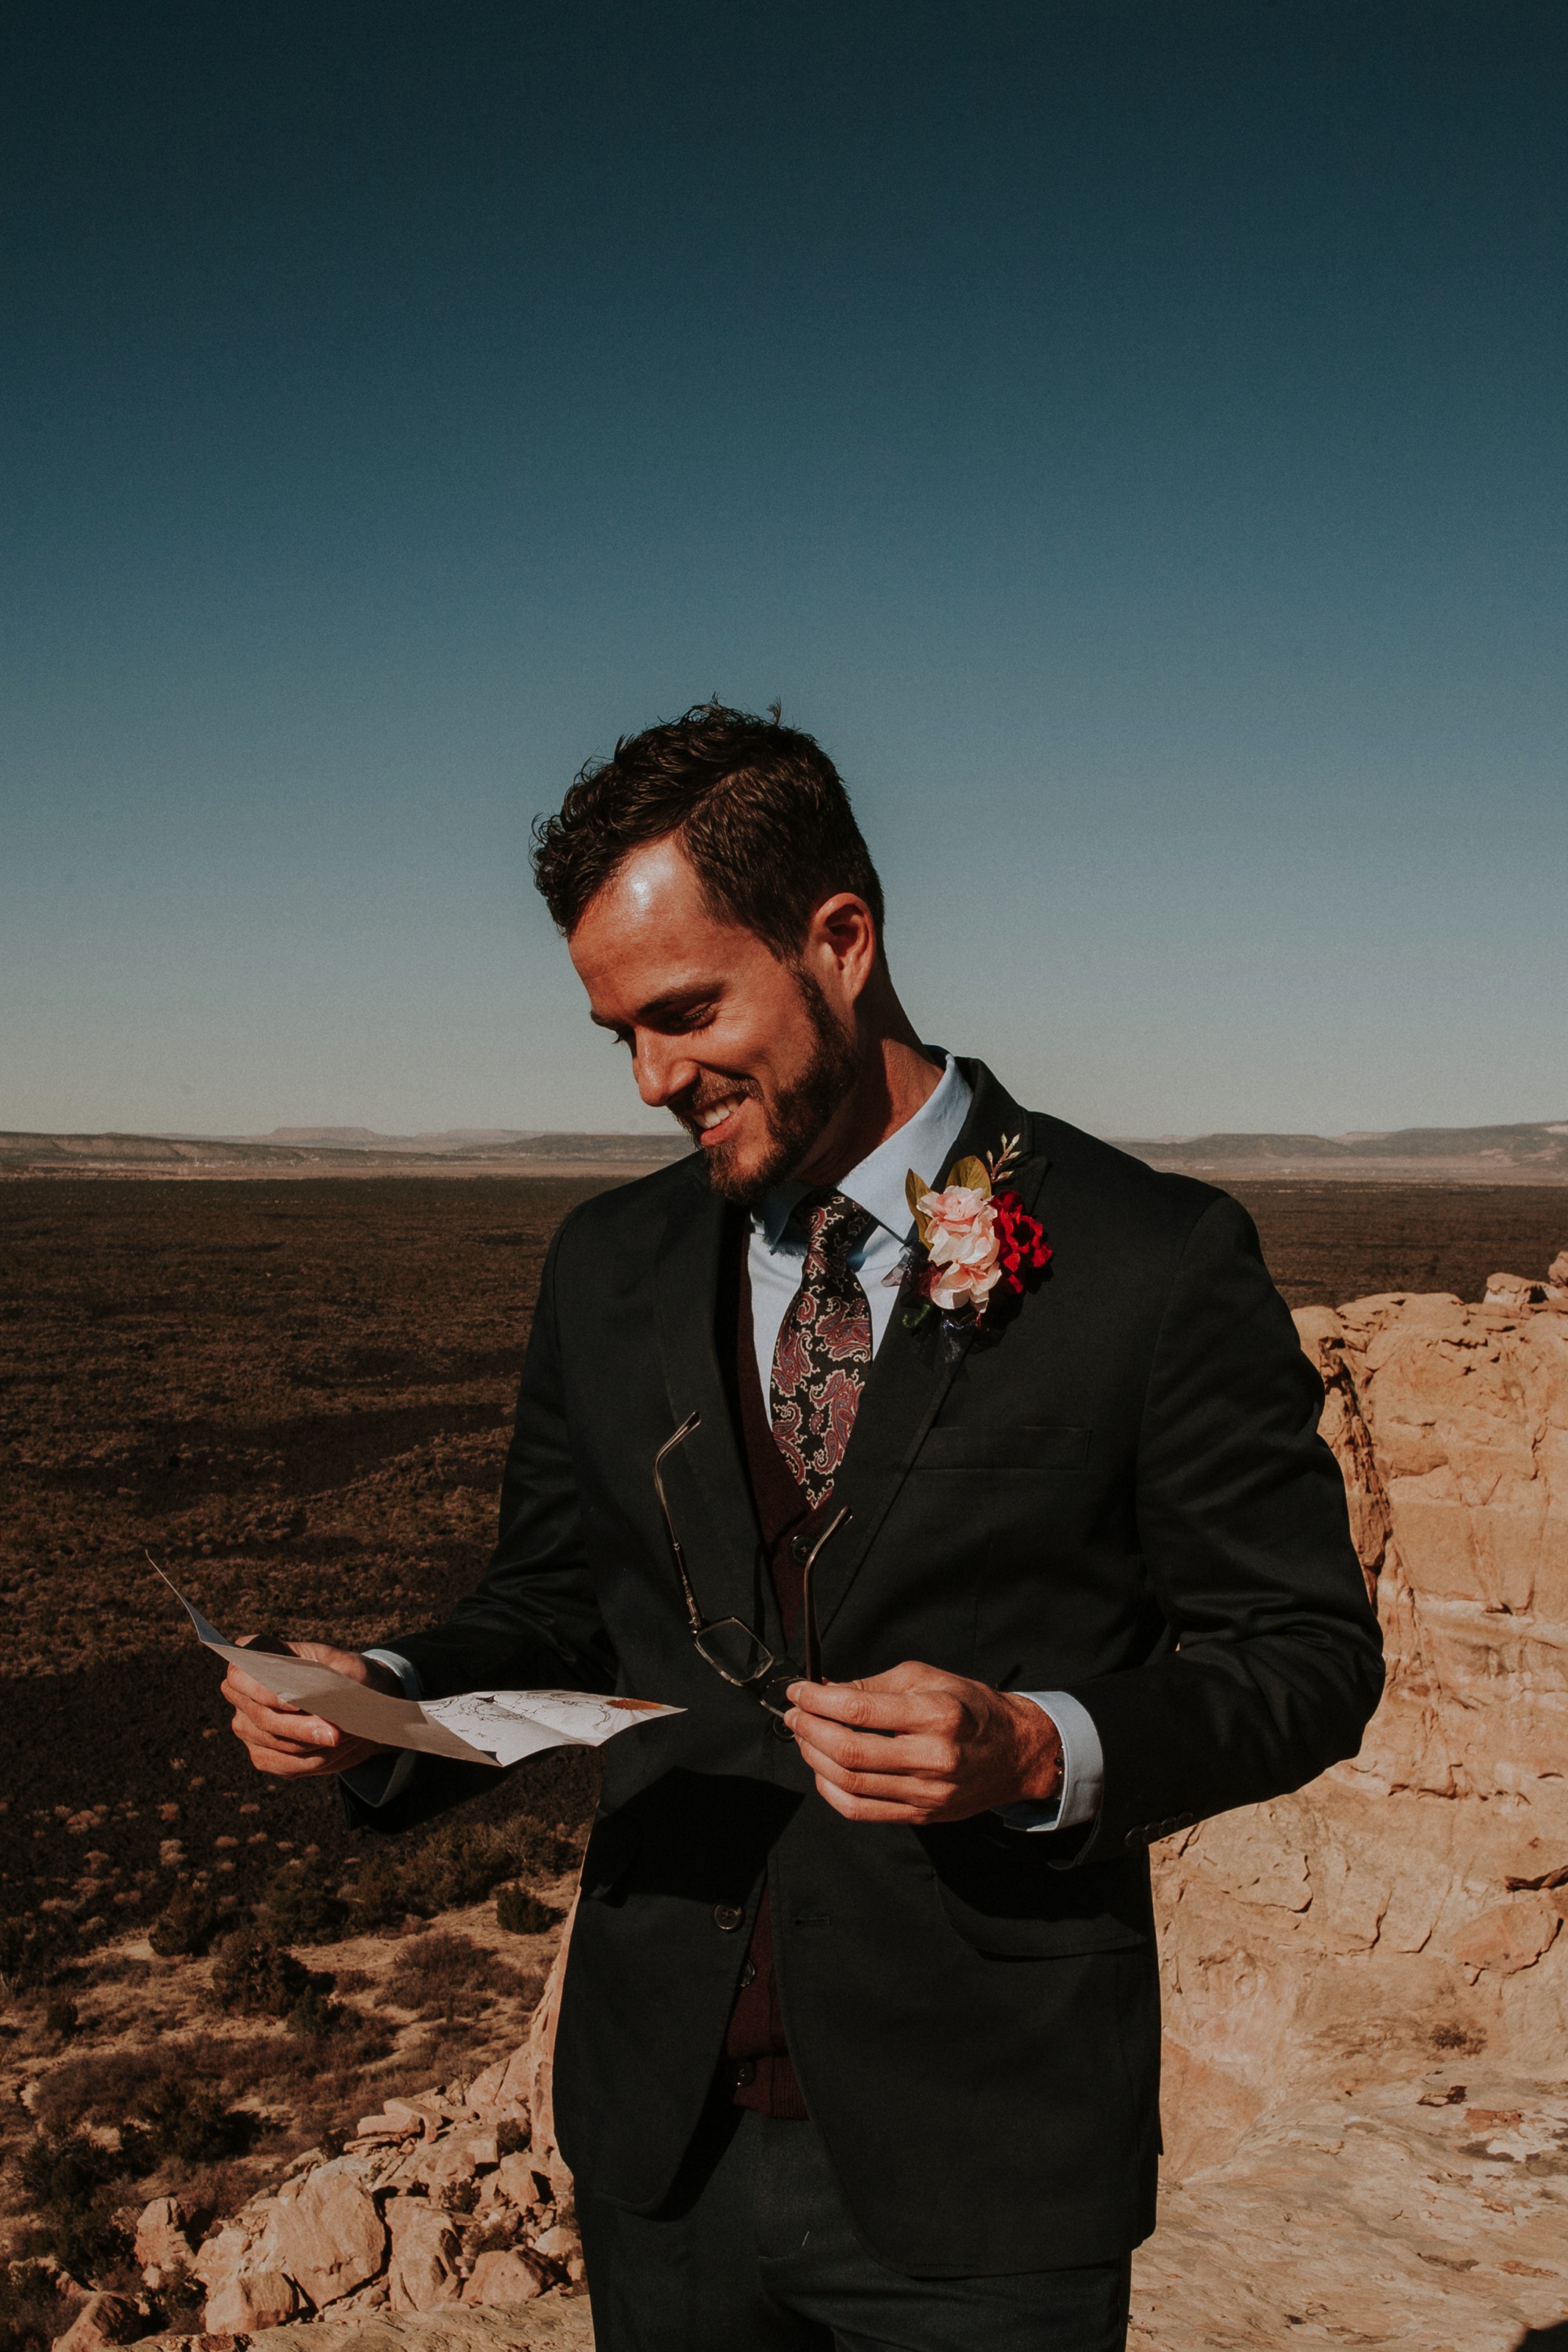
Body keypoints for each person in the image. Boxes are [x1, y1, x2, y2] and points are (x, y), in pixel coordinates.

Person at [224, 703, 1383, 2352]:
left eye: (685, 1014)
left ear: (838, 939)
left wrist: (1038, 1748)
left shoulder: (1147, 1258)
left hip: (984, 2158)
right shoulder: (606, 1266)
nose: (649, 1083)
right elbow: (557, 1596)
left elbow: (1306, 1656)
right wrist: (378, 1687)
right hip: (660, 2140)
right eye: (615, 1035)